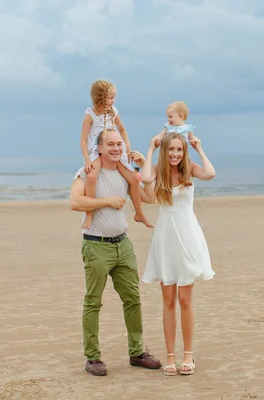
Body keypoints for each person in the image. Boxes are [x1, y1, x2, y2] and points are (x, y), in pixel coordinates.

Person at [70, 128, 161, 376]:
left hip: (123, 245)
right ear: (99, 148)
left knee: (133, 299)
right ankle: (93, 358)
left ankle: (137, 353)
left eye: (119, 144)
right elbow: (75, 202)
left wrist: (144, 170)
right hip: (95, 245)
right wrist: (107, 201)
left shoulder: (125, 173)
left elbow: (150, 198)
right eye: (110, 144)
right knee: (93, 302)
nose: (116, 148)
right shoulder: (87, 172)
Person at [140, 132, 216, 376]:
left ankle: (188, 355)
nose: (174, 154)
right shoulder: (158, 169)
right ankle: (170, 356)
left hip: (187, 235)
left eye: (179, 150)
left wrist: (199, 148)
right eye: (170, 150)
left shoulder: (190, 169)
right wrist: (151, 149)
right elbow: (144, 177)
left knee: (185, 300)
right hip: (165, 238)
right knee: (168, 300)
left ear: (184, 151)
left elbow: (211, 173)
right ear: (165, 151)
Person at [79, 79, 152, 230]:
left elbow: (122, 129)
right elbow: (83, 140)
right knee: (92, 176)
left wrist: (127, 148)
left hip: (114, 150)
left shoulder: (113, 112)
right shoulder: (90, 115)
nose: (114, 100)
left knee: (132, 178)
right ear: (101, 98)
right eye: (111, 97)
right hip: (97, 150)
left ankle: (139, 213)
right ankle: (89, 213)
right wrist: (87, 160)